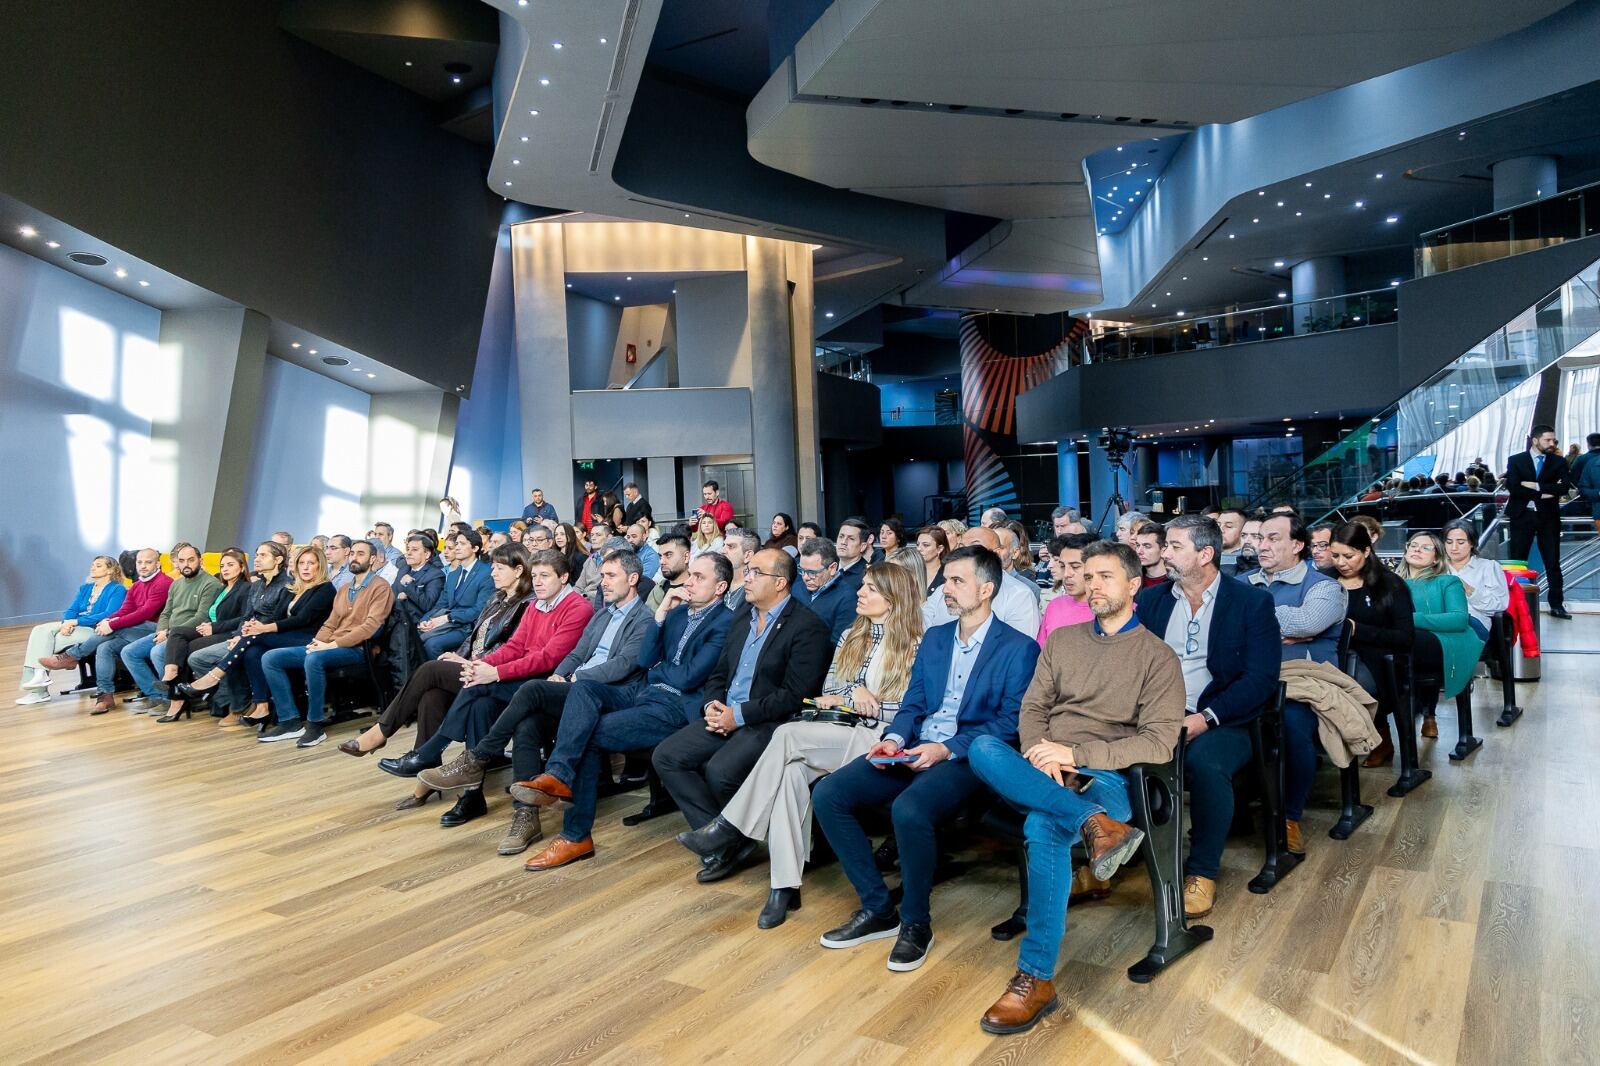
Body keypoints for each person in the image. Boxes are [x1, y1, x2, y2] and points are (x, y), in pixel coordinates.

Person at [971, 541, 1184, 1034]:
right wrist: (1038, 756)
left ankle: (1035, 978)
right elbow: (1032, 710)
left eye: (1105, 577)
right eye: (1088, 576)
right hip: (1046, 769)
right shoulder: (1063, 641)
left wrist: (1077, 756)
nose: (1093, 586)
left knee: (1043, 825)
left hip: (1107, 776)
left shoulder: (1157, 657)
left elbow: (1158, 742)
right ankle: (1091, 824)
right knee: (983, 748)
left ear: (1135, 585)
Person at [813, 545, 1039, 973]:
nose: (946, 590)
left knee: (909, 808)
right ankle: (878, 908)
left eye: (958, 582)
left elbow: (1009, 724)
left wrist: (946, 749)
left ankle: (916, 923)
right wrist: (894, 737)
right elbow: (914, 701)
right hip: (912, 746)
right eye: (946, 580)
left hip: (967, 758)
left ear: (987, 589)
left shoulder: (1018, 648)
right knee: (829, 793)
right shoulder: (935, 638)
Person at [675, 563, 924, 928]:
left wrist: (858, 699)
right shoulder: (851, 636)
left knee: (787, 734)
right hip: (839, 731)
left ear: (892, 598)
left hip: (882, 739)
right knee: (790, 775)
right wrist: (853, 693)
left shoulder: (916, 643)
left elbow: (909, 706)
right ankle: (784, 886)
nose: (860, 592)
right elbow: (827, 691)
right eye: (863, 586)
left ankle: (731, 825)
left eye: (869, 588)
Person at [416, 549, 655, 854]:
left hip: (606, 695)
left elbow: (621, 666)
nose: (603, 583)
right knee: (525, 721)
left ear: (633, 579)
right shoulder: (604, 613)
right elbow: (577, 654)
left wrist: (572, 679)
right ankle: (525, 816)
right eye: (603, 576)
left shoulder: (643, 619)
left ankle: (476, 759)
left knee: (528, 689)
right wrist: (561, 674)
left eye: (611, 576)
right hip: (573, 687)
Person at [511, 554, 736, 871]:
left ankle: (575, 833)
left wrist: (661, 671)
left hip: (676, 707)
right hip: (647, 695)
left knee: (587, 734)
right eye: (691, 575)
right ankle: (559, 778)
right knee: (584, 687)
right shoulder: (677, 613)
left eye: (699, 577)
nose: (689, 581)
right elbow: (646, 660)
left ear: (720, 587)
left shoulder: (726, 621)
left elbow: (689, 678)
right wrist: (659, 614)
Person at [651, 548, 833, 879]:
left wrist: (739, 715)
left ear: (780, 583)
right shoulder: (742, 615)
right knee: (667, 756)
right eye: (746, 571)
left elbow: (794, 696)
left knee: (721, 771)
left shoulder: (807, 627)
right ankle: (725, 842)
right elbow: (720, 672)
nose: (745, 578)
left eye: (754, 573)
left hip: (769, 721)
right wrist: (712, 705)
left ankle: (729, 837)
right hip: (725, 712)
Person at [378, 549, 592, 827]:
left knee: (476, 685)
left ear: (564, 577)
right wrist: (481, 665)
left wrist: (495, 672)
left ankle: (432, 753)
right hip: (521, 677)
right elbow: (515, 646)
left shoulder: (578, 607)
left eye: (545, 576)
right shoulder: (536, 605)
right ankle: (471, 795)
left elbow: (548, 658)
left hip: (546, 683)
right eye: (535, 575)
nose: (537, 582)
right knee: (478, 698)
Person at [1135, 517, 1279, 920]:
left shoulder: (1250, 601)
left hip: (1229, 715)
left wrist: (1207, 717)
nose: (1164, 553)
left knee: (1205, 763)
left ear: (1205, 554)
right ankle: (1112, 854)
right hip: (1161, 712)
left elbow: (1261, 678)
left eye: (1174, 546)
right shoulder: (1154, 601)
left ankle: (1201, 872)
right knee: (1113, 749)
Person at [342, 545, 534, 776]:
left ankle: (382, 733)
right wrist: (459, 656)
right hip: (475, 663)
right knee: (433, 695)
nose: (492, 572)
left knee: (430, 670)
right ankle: (425, 766)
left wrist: (471, 661)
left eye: (499, 568)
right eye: (492, 566)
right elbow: (476, 637)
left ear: (519, 570)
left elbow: (511, 648)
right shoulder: (497, 597)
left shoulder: (527, 604)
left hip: (494, 672)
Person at [1245, 513, 1347, 853]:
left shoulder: (1324, 586)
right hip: (1250, 678)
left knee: (1291, 726)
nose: (1262, 545)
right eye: (1260, 538)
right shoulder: (1245, 581)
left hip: (1303, 682)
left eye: (1273, 538)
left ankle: (1288, 816)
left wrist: (1255, 621)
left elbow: (1308, 622)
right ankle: (1237, 809)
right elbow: (1224, 625)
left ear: (1298, 545)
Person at [176, 545, 335, 727]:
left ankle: (215, 675)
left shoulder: (325, 589)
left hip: (310, 639)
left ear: (320, 566)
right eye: (302, 563)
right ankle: (261, 705)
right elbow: (276, 615)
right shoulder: (294, 588)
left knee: (254, 638)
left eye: (311, 563)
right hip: (286, 635)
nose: (305, 567)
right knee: (252, 652)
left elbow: (302, 619)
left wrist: (263, 628)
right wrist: (256, 627)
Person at [256, 539, 396, 745]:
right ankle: (289, 721)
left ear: (373, 559)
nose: (354, 558)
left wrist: (331, 645)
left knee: (314, 660)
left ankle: (315, 725)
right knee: (271, 658)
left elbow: (371, 627)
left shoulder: (380, 587)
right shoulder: (345, 588)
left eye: (361, 554)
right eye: (352, 554)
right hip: (330, 645)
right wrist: (317, 643)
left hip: (358, 649)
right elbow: (330, 624)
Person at [40, 547, 172, 716]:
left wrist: (113, 624)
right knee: (105, 648)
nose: (143, 566)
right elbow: (125, 610)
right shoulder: (137, 585)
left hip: (156, 630)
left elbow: (144, 613)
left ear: (158, 564)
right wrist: (108, 620)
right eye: (140, 562)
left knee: (117, 628)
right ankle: (107, 697)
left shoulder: (164, 582)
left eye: (148, 562)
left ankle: (73, 655)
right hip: (134, 630)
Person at [1325, 523, 1415, 767]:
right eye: (1335, 556)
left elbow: (1405, 637)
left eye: (1348, 556)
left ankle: (1377, 737)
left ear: (1366, 551)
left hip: (1377, 659)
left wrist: (1358, 630)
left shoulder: (1389, 585)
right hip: (1332, 654)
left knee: (1351, 685)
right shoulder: (1325, 582)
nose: (1341, 562)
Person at [148, 548, 253, 721]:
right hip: (212, 629)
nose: (225, 569)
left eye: (230, 565)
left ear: (242, 568)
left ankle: (179, 697)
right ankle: (171, 675)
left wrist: (214, 627)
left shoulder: (246, 588)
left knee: (185, 648)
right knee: (177, 633)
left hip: (228, 633)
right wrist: (209, 626)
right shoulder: (223, 589)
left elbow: (243, 618)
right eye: (222, 565)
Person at [120, 542, 222, 714]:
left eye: (191, 560)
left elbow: (201, 617)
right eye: (182, 561)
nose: (186, 564)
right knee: (129, 652)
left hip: (192, 633)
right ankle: (157, 696)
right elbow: (166, 613)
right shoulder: (176, 584)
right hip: (169, 633)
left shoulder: (211, 584)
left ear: (200, 561)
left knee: (157, 652)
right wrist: (162, 631)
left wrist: (169, 633)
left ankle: (173, 699)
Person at [1400, 531, 1484, 738]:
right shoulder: (1392, 583)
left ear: (1436, 557)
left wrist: (1409, 619)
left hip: (1445, 641)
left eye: (1426, 547)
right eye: (1413, 545)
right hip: (1408, 644)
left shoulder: (1447, 582)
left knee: (1413, 638)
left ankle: (1427, 715)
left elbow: (1458, 619)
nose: (1417, 549)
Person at [16, 555, 127, 704]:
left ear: (110, 570)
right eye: (93, 565)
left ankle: (39, 691)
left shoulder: (117, 589)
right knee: (39, 630)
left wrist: (75, 621)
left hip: (94, 628)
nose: (92, 567)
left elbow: (109, 614)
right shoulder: (85, 588)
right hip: (75, 624)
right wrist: (65, 623)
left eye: (99, 565)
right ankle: (40, 676)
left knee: (49, 640)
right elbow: (72, 609)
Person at [922, 527, 1040, 638]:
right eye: (961, 547)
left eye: (975, 547)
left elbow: (1017, 648)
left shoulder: (1019, 595)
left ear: (997, 554)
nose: (965, 554)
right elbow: (920, 629)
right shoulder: (943, 591)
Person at [1504, 424, 1570, 617]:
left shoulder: (1558, 462)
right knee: (1517, 561)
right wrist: (1545, 492)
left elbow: (1564, 488)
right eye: (1548, 440)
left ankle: (1556, 604)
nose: (1552, 443)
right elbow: (1514, 488)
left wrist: (1535, 485)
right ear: (1535, 440)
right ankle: (1516, 603)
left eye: (1554, 440)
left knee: (1552, 561)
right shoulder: (1516, 460)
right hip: (1522, 516)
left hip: (1548, 518)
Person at [417, 529, 494, 657]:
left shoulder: (486, 573)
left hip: (468, 626)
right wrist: (425, 620)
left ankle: (439, 676)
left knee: (432, 644)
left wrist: (448, 618)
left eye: (462, 544)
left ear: (475, 548)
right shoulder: (453, 575)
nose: (457, 547)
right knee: (415, 634)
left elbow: (480, 610)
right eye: (457, 544)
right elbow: (441, 604)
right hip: (449, 623)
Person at [1442, 520, 1509, 641]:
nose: (1454, 547)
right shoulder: (1437, 568)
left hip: (1472, 621)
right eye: (1449, 542)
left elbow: (1500, 604)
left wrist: (1469, 590)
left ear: (1472, 543)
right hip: (1440, 621)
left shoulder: (1488, 567)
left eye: (1461, 542)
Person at [1036, 533, 1096, 643]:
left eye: (1075, 567)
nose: (1066, 574)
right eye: (1063, 566)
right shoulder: (1054, 606)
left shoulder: (1120, 609)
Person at [794, 538, 857, 643]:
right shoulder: (796, 588)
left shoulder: (848, 599)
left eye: (812, 572)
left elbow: (838, 645)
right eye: (802, 570)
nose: (805, 577)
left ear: (832, 568)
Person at [646, 533, 692, 610]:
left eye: (668, 555)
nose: (661, 561)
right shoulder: (657, 589)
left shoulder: (697, 590)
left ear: (686, 557)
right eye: (660, 556)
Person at [879, 518, 927, 590]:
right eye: (882, 532)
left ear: (898, 537)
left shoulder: (906, 559)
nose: (883, 536)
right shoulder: (878, 559)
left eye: (889, 533)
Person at [720, 529, 759, 611]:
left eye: (730, 547)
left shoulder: (756, 592)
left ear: (747, 556)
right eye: (724, 545)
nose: (722, 551)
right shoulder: (717, 581)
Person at [831, 519, 874, 593]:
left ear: (862, 547)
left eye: (851, 539)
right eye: (841, 536)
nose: (843, 542)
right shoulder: (827, 566)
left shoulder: (868, 575)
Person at [1571, 432, 1600, 533]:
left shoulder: (1582, 459)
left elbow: (1573, 477)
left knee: (1582, 525)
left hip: (1586, 499)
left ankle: (1582, 536)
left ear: (1588, 444)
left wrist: (1583, 489)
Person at [1132, 521, 1169, 588]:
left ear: (1163, 549)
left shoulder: (1175, 582)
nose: (1139, 551)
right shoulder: (1132, 577)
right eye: (1138, 545)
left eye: (1147, 546)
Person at [914, 526, 950, 595]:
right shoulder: (912, 570)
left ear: (940, 549)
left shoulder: (948, 573)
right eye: (918, 544)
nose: (919, 549)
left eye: (926, 545)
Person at [1215, 508, 1248, 575]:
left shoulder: (1250, 558)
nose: (1220, 530)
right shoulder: (1205, 554)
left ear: (1243, 531)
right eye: (1218, 525)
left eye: (1228, 526)